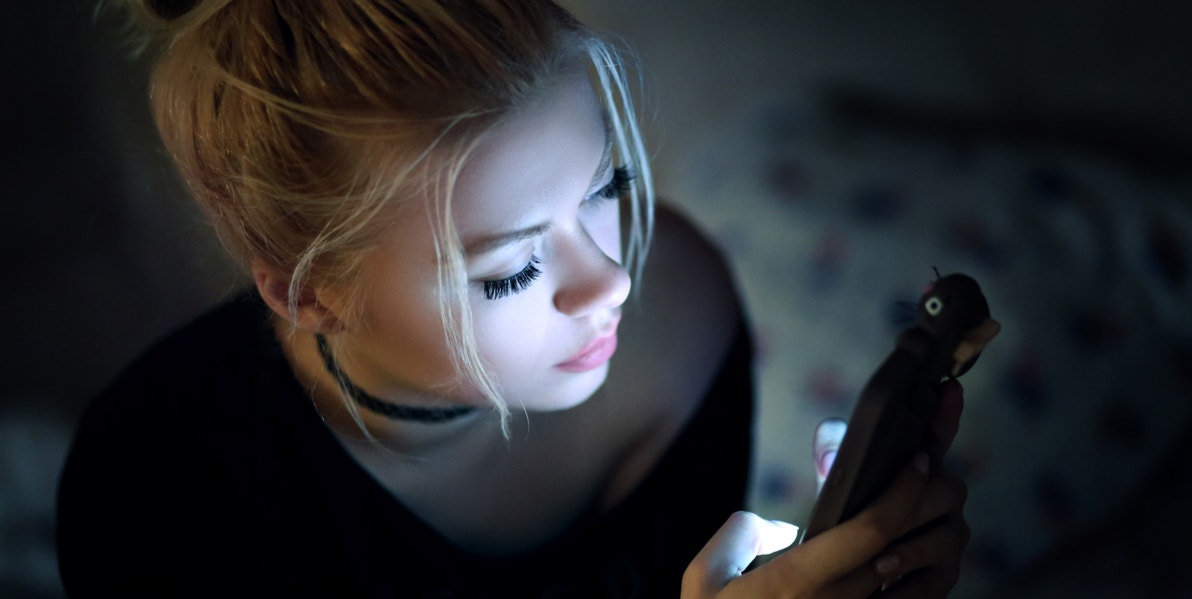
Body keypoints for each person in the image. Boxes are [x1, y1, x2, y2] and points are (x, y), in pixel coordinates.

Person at [56, 0, 969, 596]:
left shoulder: (679, 316)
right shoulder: (154, 489)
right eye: (511, 270)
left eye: (605, 192)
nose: (612, 281)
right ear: (310, 293)